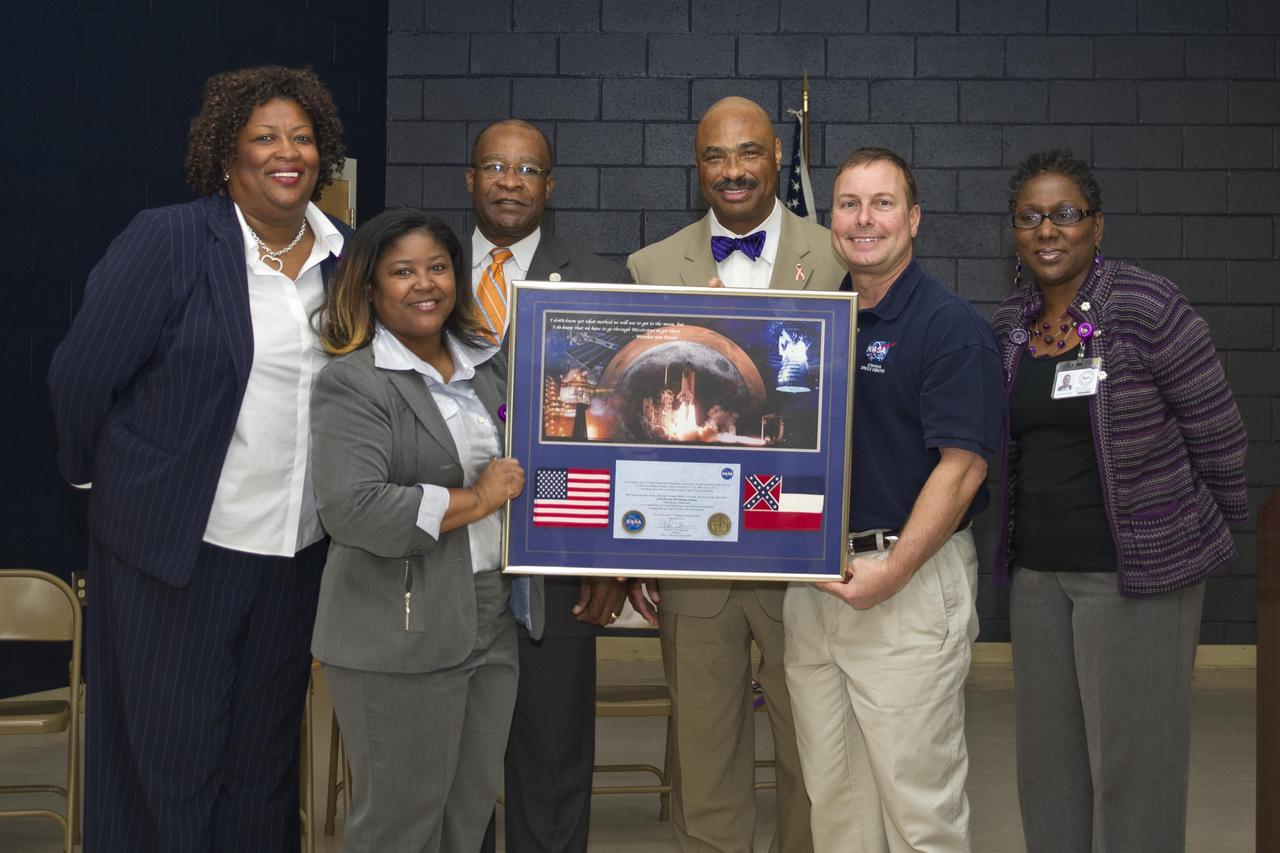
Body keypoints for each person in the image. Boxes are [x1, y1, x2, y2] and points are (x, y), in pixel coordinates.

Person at [47, 65, 350, 850]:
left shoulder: (346, 258)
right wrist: (96, 479)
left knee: (262, 766)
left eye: (303, 137)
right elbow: (82, 374)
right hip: (177, 556)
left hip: (294, 556)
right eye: (265, 138)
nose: (289, 152)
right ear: (226, 157)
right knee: (167, 767)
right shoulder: (172, 238)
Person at [992, 150, 1248, 853]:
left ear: (1097, 226)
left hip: (1137, 579)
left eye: (1066, 214)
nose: (1049, 229)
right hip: (1039, 579)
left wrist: (1209, 536)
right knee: (1046, 768)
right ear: (1014, 232)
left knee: (1134, 770)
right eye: (1031, 216)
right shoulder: (1008, 325)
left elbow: (1219, 433)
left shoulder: (1146, 305)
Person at [626, 96, 843, 853]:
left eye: (747, 152)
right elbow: (637, 428)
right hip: (695, 558)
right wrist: (639, 547)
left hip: (805, 554)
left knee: (812, 752)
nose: (732, 171)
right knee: (706, 754)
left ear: (778, 157)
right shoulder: (651, 267)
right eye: (714, 157)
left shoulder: (841, 250)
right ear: (697, 167)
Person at [783, 146, 1003, 852]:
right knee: (838, 806)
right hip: (814, 585)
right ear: (833, 222)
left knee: (919, 810)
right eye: (848, 203)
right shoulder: (814, 323)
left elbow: (962, 470)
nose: (863, 218)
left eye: (883, 203)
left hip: (905, 584)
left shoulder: (949, 326)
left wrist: (896, 570)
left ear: (914, 219)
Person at [309, 208, 527, 852]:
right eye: (401, 271)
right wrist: (478, 497)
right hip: (396, 623)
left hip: (491, 612)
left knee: (466, 816)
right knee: (400, 826)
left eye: (437, 267)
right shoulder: (352, 382)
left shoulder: (488, 367)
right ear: (370, 287)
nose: (424, 283)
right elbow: (353, 508)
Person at [465, 118, 632, 853]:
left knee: (553, 752)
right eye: (495, 166)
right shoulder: (419, 268)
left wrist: (612, 557)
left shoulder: (602, 277)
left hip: (564, 550)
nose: (510, 180)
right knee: (456, 757)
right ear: (470, 178)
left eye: (527, 170)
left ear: (550, 186)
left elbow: (627, 430)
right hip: (450, 549)